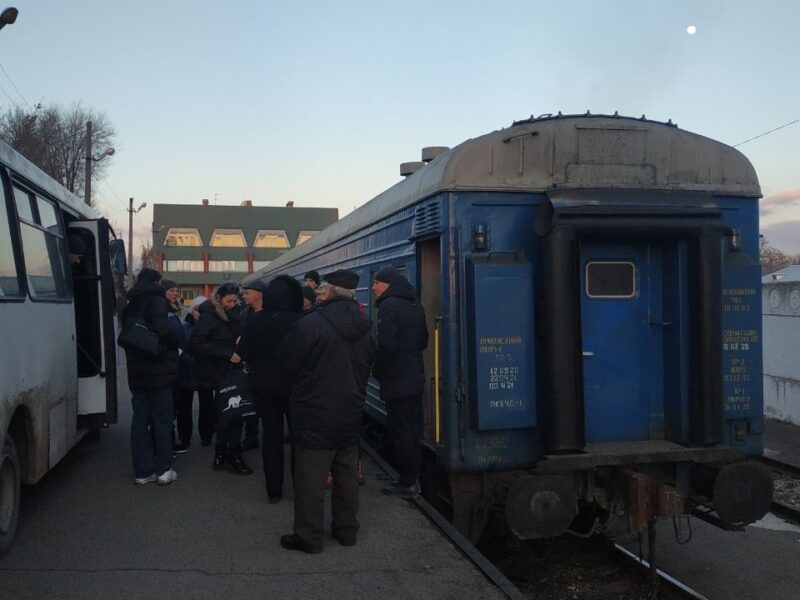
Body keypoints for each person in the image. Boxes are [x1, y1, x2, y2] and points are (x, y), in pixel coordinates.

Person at [279, 269, 375, 553]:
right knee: (346, 476)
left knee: (311, 479)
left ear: (331, 291)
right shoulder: (367, 326)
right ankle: (347, 531)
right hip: (350, 411)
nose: (320, 293)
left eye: (323, 289)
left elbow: (288, 366)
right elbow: (373, 361)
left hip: (314, 414)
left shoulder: (310, 325)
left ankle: (308, 537)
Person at [239, 276, 303, 504]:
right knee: (299, 438)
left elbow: (244, 351)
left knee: (271, 436)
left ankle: (273, 490)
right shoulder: (300, 321)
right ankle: (301, 489)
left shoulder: (254, 320)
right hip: (295, 387)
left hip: (264, 386)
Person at [371, 266, 429, 498]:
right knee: (412, 430)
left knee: (401, 431)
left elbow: (386, 346)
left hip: (396, 378)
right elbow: (423, 339)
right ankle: (414, 476)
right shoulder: (416, 304)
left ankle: (407, 483)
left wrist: (378, 371)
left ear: (388, 284)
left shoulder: (388, 306)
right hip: (416, 375)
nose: (374, 286)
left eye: (377, 282)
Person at [121, 267, 181, 486]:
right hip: (159, 371)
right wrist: (176, 339)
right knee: (163, 420)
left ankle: (143, 471)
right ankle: (164, 469)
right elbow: (164, 332)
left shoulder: (129, 307)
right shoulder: (158, 303)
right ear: (156, 283)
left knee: (139, 421)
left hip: (136, 372)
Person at [190, 282, 253, 475]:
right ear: (219, 299)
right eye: (229, 301)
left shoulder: (237, 313)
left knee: (236, 413)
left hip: (234, 371)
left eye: (235, 300)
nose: (233, 304)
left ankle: (228, 453)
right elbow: (197, 343)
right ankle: (226, 452)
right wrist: (225, 352)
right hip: (218, 372)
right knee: (228, 414)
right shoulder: (209, 316)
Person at [175, 296, 216, 448]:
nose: (199, 312)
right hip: (187, 371)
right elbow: (179, 347)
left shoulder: (213, 326)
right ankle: (185, 438)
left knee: (207, 406)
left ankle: (206, 435)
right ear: (192, 310)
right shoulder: (183, 327)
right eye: (197, 309)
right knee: (184, 407)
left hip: (205, 371)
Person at [160, 279, 189, 453]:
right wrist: (178, 353)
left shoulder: (172, 309)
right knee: (167, 408)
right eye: (171, 290)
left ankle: (169, 443)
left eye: (176, 290)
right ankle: (167, 445)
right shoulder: (162, 310)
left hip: (176, 365)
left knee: (173, 405)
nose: (175, 293)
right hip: (169, 365)